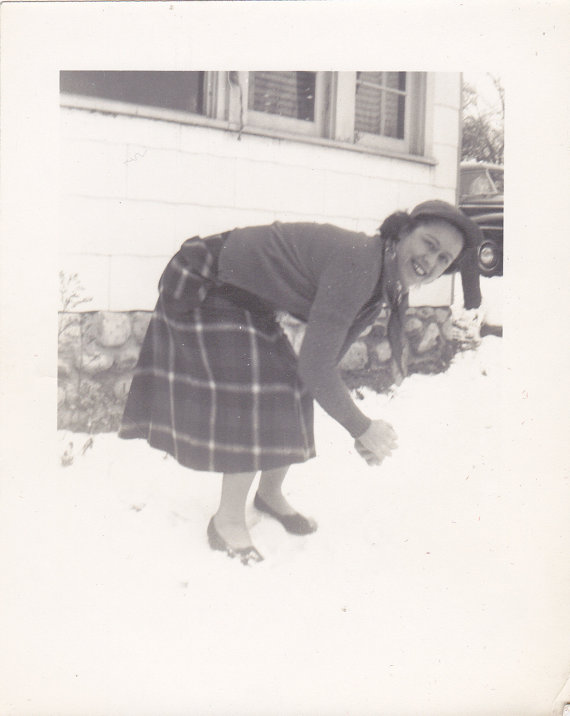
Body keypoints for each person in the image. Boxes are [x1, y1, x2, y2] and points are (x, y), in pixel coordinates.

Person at [119, 200, 482, 565]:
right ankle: (227, 521)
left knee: (289, 385)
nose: (430, 262)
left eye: (443, 260)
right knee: (254, 397)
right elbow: (317, 368)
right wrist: (361, 427)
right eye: (429, 245)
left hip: (247, 299)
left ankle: (269, 494)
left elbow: (322, 365)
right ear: (402, 233)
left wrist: (356, 427)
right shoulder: (361, 263)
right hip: (205, 280)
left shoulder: (384, 279)